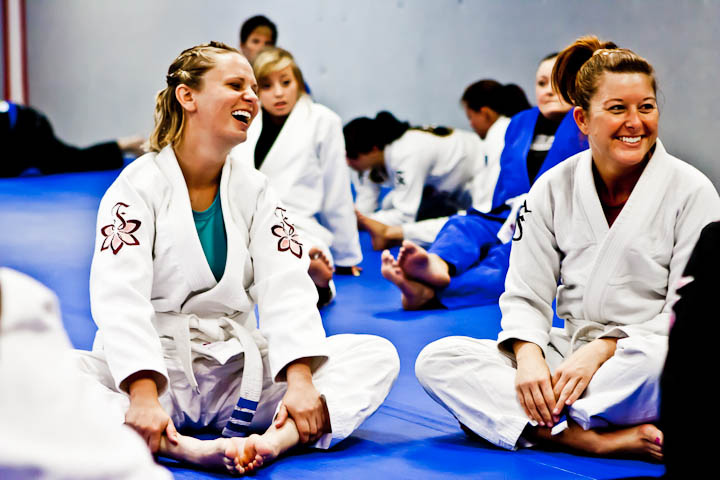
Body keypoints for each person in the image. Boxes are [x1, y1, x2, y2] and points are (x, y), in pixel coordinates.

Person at [73, 42, 399, 475]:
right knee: (36, 371)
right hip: (159, 373)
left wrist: (300, 381)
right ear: (187, 96)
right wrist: (143, 396)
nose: (251, 96)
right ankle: (182, 447)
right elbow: (120, 298)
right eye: (235, 85)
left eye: (252, 88)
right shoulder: (136, 187)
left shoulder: (256, 190)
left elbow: (286, 285)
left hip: (238, 374)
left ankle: (274, 441)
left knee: (374, 353)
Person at [415, 36, 720, 460]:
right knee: (438, 359)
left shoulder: (692, 191)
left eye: (647, 107)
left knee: (665, 366)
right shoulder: (552, 188)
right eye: (617, 108)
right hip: (570, 352)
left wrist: (605, 348)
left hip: (640, 353)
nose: (635, 122)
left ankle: (529, 419)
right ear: (583, 119)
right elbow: (525, 294)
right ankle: (585, 437)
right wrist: (529, 358)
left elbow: (686, 317)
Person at [380, 53, 588, 310]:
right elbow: (504, 188)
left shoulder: (589, 125)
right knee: (463, 226)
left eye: (558, 82)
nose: (548, 90)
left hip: (555, 226)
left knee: (508, 258)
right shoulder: (520, 124)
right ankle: (437, 264)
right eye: (542, 83)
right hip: (509, 215)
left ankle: (431, 293)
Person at [0, 268, 172, 479]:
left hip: (190, 368)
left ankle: (167, 441)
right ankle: (171, 444)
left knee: (54, 371)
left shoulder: (21, 295)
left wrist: (144, 396)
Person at [231, 47, 361, 307]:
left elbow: (336, 191)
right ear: (255, 91)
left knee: (297, 251)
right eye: (267, 86)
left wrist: (347, 256)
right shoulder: (244, 120)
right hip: (246, 222)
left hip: (296, 221)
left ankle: (314, 277)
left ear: (299, 84)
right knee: (242, 264)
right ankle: (298, 274)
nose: (278, 93)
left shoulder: (323, 121)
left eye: (286, 82)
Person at [357, 80, 530, 250]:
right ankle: (394, 233)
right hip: (479, 195)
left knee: (467, 223)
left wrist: (371, 222)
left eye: (470, 117)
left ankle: (393, 233)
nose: (470, 124)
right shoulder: (509, 129)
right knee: (390, 202)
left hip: (499, 207)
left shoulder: (500, 135)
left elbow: (486, 211)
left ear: (485, 113)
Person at [346, 111, 481, 232]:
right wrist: (358, 219)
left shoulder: (404, 154)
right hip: (444, 186)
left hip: (478, 170)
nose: (348, 162)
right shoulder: (372, 159)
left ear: (374, 150)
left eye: (353, 156)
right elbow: (364, 207)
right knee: (388, 204)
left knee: (475, 222)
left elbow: (405, 216)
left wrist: (364, 221)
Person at [660, 221, 719, 478]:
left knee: (649, 360)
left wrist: (609, 342)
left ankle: (565, 432)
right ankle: (576, 436)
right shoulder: (714, 239)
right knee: (536, 365)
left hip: (642, 346)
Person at [0, 99, 144, 177]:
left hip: (28, 128)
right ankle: (125, 145)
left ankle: (128, 144)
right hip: (19, 127)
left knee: (70, 161)